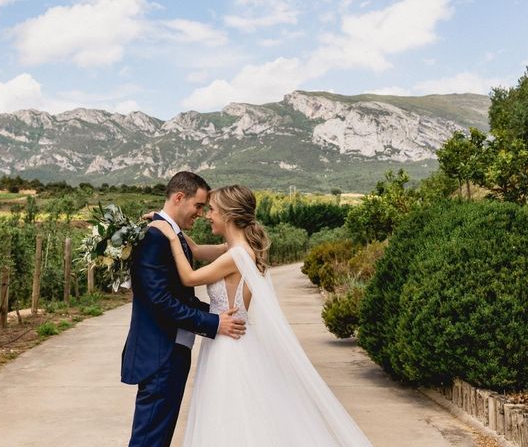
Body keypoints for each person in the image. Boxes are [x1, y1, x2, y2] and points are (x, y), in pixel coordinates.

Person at [148, 184, 373, 447]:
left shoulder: (236, 255)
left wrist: (172, 239)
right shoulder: (235, 250)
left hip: (228, 344)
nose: (207, 215)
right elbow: (197, 251)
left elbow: (188, 278)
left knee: (228, 416)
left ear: (229, 215)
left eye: (212, 210)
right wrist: (166, 222)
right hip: (230, 337)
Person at [121, 172, 247, 447]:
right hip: (159, 355)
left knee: (159, 437)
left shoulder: (171, 235)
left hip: (172, 352)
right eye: (199, 206)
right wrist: (213, 323)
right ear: (180, 197)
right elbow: (161, 301)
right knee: (149, 440)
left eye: (206, 208)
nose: (201, 214)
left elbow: (180, 295)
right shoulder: (156, 237)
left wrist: (214, 317)